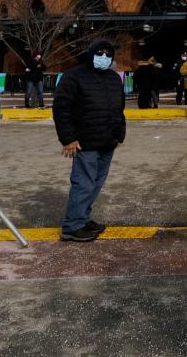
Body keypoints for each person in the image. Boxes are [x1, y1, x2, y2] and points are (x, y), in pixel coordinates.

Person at [53, 38, 126, 242]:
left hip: (107, 140)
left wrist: (119, 134)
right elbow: (61, 109)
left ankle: (83, 218)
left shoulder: (113, 78)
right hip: (84, 141)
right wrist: (67, 139)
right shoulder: (74, 76)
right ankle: (72, 225)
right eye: (99, 53)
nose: (104, 57)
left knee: (96, 183)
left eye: (107, 55)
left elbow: (119, 109)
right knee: (83, 183)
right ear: (91, 53)